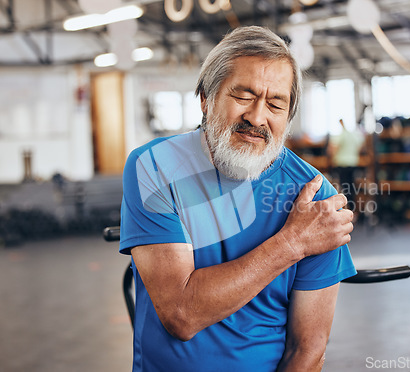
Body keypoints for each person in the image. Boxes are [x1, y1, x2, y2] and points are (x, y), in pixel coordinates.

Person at [119, 26, 356, 372]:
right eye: (243, 96)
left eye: (276, 104)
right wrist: (292, 243)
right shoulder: (154, 168)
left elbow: (307, 350)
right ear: (205, 98)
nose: (257, 117)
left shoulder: (316, 202)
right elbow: (180, 314)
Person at [328, 119, 365, 208]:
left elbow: (333, 149)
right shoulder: (354, 135)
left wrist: (332, 158)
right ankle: (352, 209)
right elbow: (361, 146)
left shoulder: (340, 135)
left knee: (343, 188)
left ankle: (344, 209)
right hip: (353, 163)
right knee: (351, 187)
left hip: (342, 164)